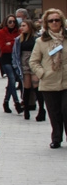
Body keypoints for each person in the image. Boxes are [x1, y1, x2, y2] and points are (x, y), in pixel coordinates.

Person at [29, 9, 67, 148]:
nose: (54, 23)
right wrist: (42, 73)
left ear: (61, 21)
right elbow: (33, 61)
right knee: (54, 112)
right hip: (49, 82)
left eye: (57, 20)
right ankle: (56, 138)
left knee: (66, 109)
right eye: (51, 20)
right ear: (47, 23)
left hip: (66, 80)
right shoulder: (41, 41)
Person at [12, 19, 46, 121]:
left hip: (35, 63)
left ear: (29, 27)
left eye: (24, 26)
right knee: (26, 87)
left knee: (36, 87)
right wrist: (16, 66)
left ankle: (41, 110)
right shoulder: (19, 39)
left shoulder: (37, 38)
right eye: (21, 26)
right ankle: (26, 110)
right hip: (24, 63)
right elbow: (15, 54)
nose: (21, 28)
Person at [0, 15, 22, 113]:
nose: (12, 23)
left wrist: (10, 43)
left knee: (11, 82)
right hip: (5, 58)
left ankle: (6, 101)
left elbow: (19, 45)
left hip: (15, 58)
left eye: (13, 22)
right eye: (10, 22)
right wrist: (14, 43)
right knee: (11, 79)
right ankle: (17, 103)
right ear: (6, 22)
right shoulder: (1, 32)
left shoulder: (19, 32)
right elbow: (3, 47)